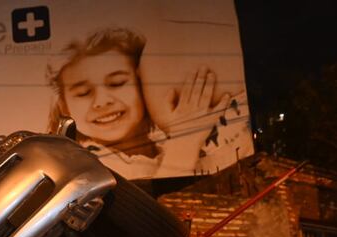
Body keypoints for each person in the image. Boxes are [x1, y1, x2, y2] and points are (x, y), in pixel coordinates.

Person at [47, 27, 230, 180]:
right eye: (83, 93)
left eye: (117, 83)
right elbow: (151, 216)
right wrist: (185, 143)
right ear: (64, 106)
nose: (102, 102)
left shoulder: (162, 145)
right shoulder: (85, 167)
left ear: (143, 83)